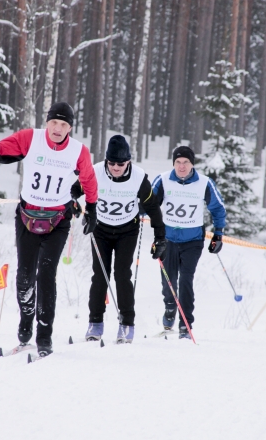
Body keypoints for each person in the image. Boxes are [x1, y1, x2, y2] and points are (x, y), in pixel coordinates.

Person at [0, 102, 97, 357]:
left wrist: (92, 208)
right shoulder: (29, 138)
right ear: (47, 122)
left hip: (58, 219)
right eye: (54, 123)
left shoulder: (78, 151)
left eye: (64, 124)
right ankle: (25, 327)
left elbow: (88, 179)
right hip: (27, 217)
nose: (58, 128)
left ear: (70, 128)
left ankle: (44, 337)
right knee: (24, 276)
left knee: (46, 275)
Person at [71, 134, 166, 344]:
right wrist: (73, 203)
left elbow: (152, 208)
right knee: (100, 275)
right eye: (112, 163)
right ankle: (95, 323)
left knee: (122, 275)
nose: (115, 167)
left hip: (127, 231)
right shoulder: (95, 171)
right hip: (101, 229)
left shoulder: (139, 177)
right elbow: (74, 190)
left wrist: (160, 238)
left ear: (128, 162)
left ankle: (127, 325)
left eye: (120, 164)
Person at [152, 145, 226, 339]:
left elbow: (218, 208)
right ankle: (170, 307)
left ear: (192, 164)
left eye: (186, 162)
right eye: (178, 162)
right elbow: (150, 204)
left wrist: (218, 234)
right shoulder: (163, 179)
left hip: (192, 240)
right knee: (168, 279)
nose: (182, 166)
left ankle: (185, 324)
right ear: (173, 163)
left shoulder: (204, 183)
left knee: (186, 279)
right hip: (168, 240)